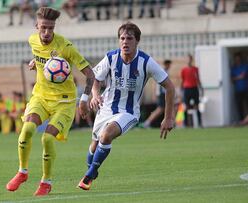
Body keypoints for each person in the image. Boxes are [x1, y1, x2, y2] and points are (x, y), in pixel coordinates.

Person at [5, 7, 94, 196]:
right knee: (27, 129)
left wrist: (85, 99)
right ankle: (22, 172)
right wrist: (35, 63)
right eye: (43, 28)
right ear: (36, 26)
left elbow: (90, 74)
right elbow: (41, 56)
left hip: (64, 101)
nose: (46, 33)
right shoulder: (32, 40)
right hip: (41, 96)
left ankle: (46, 181)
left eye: (51, 29)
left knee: (47, 138)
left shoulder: (65, 47)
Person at [76, 22, 175, 190]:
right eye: (122, 38)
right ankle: (91, 169)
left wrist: (168, 117)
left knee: (106, 136)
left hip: (128, 112)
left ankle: (89, 175)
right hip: (106, 108)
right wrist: (95, 95)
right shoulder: (111, 57)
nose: (125, 42)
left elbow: (170, 87)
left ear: (137, 41)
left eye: (129, 38)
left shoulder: (146, 62)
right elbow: (95, 78)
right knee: (94, 145)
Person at [143, 59, 172, 128]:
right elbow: (160, 84)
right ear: (166, 64)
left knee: (163, 109)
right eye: (169, 64)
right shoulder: (163, 71)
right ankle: (147, 122)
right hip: (163, 93)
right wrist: (158, 93)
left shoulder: (164, 71)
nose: (170, 66)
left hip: (162, 93)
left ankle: (172, 122)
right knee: (160, 109)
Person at [181, 54, 204, 127]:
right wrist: (181, 91)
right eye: (187, 59)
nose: (189, 61)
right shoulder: (183, 70)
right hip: (187, 89)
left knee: (196, 106)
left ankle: (200, 123)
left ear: (192, 60)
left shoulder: (195, 69)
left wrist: (201, 88)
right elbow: (183, 80)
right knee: (186, 107)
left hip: (194, 88)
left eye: (190, 59)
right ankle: (186, 124)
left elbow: (198, 79)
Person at [230, 52, 248, 121]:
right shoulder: (234, 68)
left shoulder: (245, 66)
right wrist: (239, 77)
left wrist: (241, 77)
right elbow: (232, 79)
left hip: (246, 89)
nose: (237, 60)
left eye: (238, 59)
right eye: (236, 59)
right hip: (238, 90)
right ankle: (242, 120)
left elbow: (245, 75)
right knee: (239, 106)